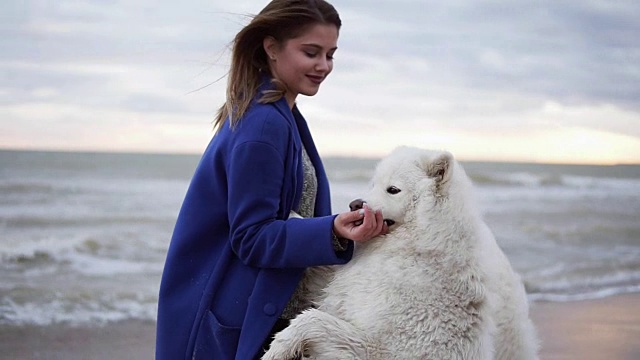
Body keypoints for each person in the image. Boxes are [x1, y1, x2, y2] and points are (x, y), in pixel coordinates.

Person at [155, 1, 388, 359]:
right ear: (271, 47)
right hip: (236, 322)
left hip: (264, 314)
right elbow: (251, 237)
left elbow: (286, 216)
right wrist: (332, 230)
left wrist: (340, 229)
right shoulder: (264, 126)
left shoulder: (282, 115)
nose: (323, 66)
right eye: (311, 52)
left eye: (330, 54)